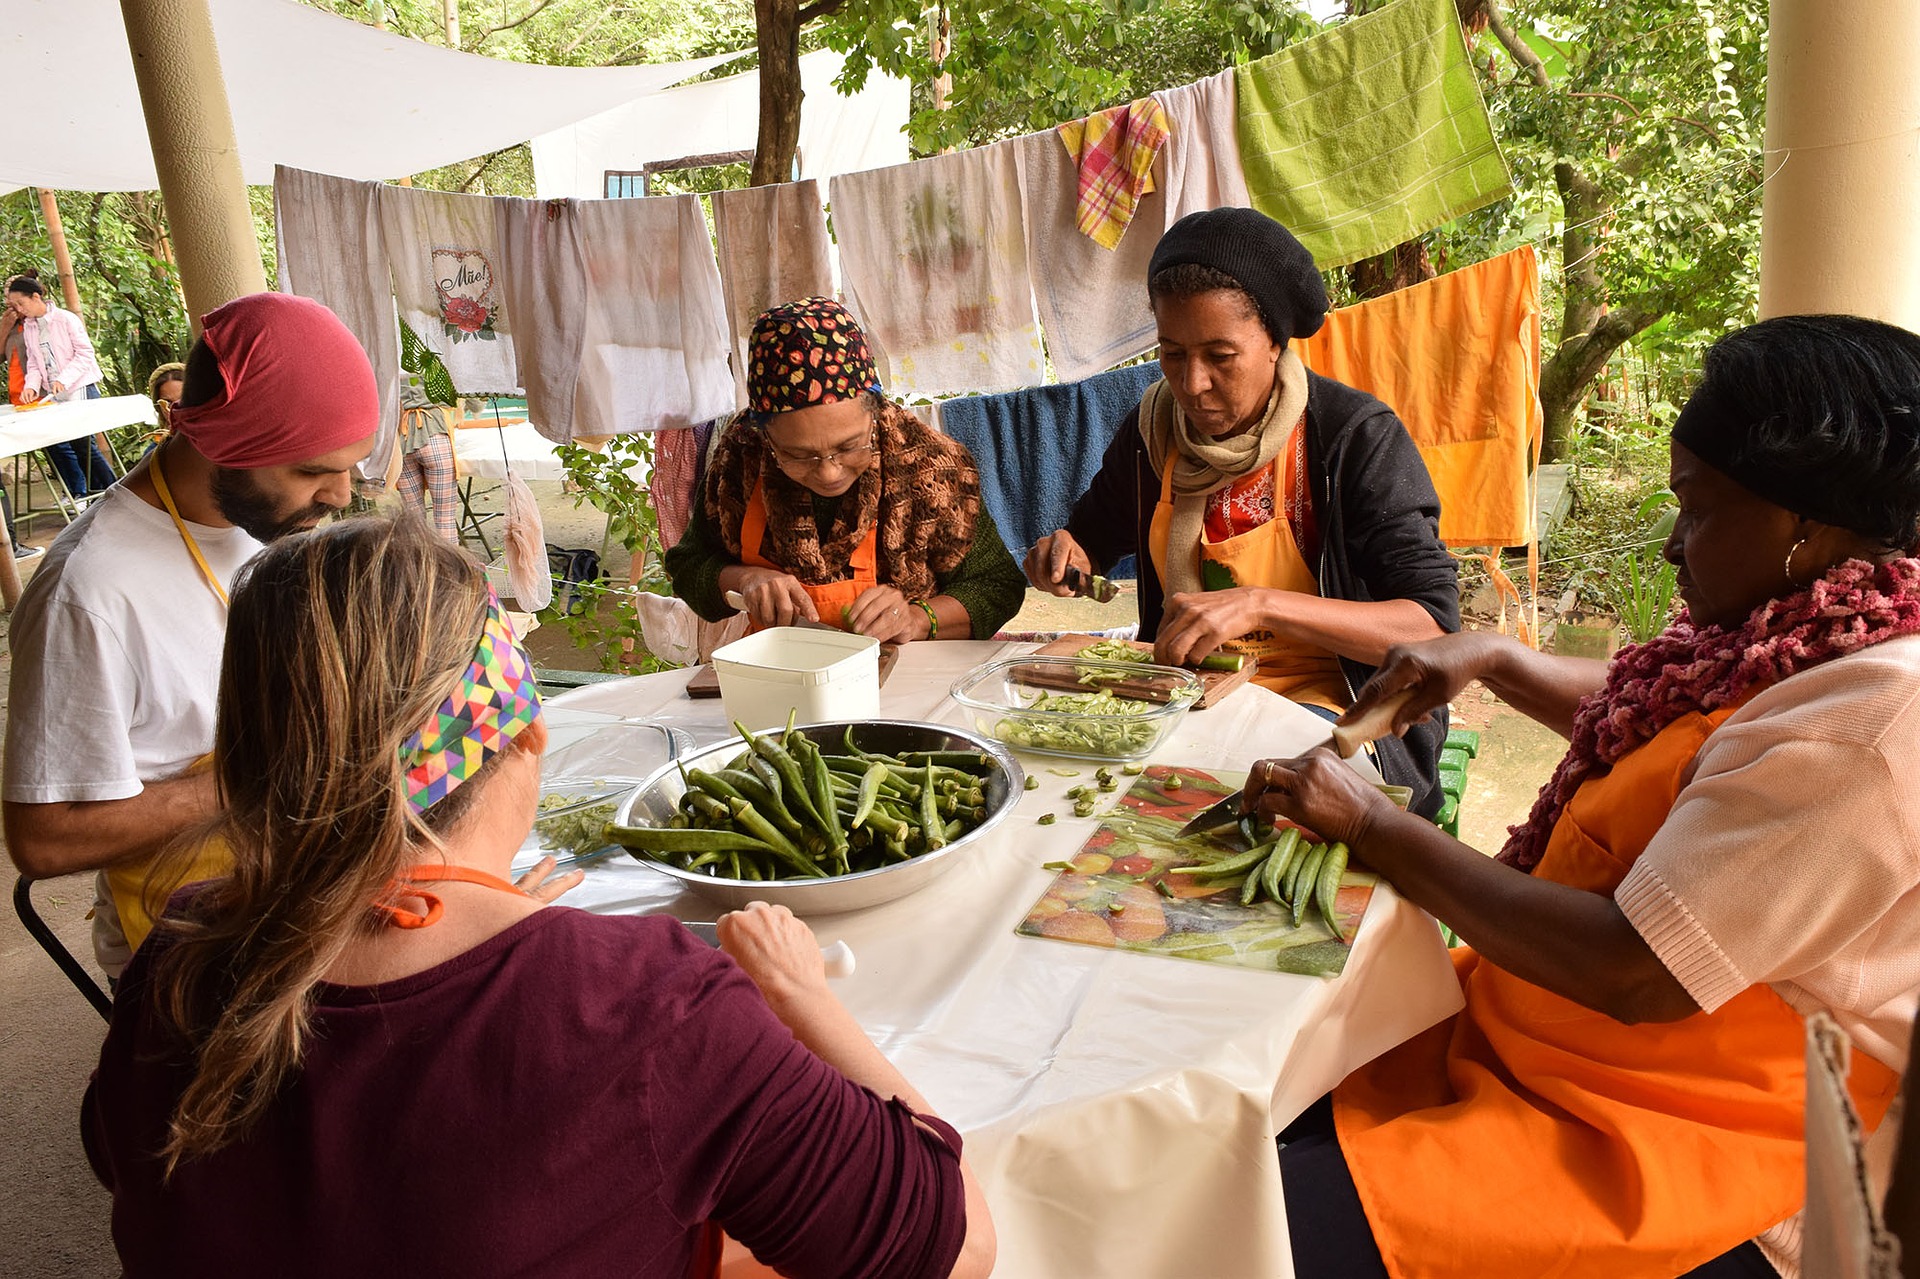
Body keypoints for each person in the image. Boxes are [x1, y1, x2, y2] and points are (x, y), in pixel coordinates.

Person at [82, 516, 995, 1279]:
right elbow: (951, 1246)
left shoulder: (181, 951)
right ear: (523, 734)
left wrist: (488, 914)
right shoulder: (651, 1008)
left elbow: (117, 1153)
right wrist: (802, 994)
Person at [1249, 314, 1920, 1278]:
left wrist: (1370, 823)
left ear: (1803, 525)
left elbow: (1634, 970)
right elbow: (1661, 727)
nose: (1673, 548)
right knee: (1251, 1127)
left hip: (1662, 1135)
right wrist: (1491, 658)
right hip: (1537, 1044)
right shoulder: (1815, 628)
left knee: (1246, 1231)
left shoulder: (1869, 726)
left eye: (1698, 509)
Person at [1026, 208, 1459, 815]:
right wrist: (1064, 552)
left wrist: (1260, 604)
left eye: (1220, 356)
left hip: (1339, 704)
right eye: (1172, 353)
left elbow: (1432, 629)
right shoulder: (1153, 434)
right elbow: (1090, 537)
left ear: (1276, 342)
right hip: (1189, 691)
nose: (1192, 383)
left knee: (1248, 802)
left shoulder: (1352, 439)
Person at [3, 292, 378, 979]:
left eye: (349, 465)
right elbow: (41, 839)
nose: (341, 496)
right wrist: (262, 780)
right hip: (193, 943)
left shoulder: (260, 519)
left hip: (299, 880)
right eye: (313, 471)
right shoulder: (88, 594)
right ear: (217, 443)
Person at [666, 297, 1026, 642]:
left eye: (848, 446)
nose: (829, 473)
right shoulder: (739, 458)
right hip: (782, 677)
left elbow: (996, 585)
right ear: (765, 436)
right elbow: (688, 566)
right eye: (797, 454)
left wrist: (917, 619)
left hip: (909, 683)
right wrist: (742, 580)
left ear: (874, 410)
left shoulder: (930, 468)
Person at [5, 269, 116, 499]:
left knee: (84, 445)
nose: (18, 309)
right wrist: (31, 387)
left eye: (20, 303)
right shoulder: (30, 327)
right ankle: (87, 495)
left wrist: (63, 380)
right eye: (13, 305)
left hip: (80, 387)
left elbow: (85, 354)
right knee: (71, 445)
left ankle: (112, 491)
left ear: (36, 297)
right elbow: (35, 364)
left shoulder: (66, 318)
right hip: (56, 393)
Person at [394, 374, 458, 542]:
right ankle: (449, 567)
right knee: (445, 518)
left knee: (412, 520)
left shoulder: (389, 360)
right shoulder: (435, 360)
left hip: (402, 441)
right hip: (435, 435)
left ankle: (418, 567)